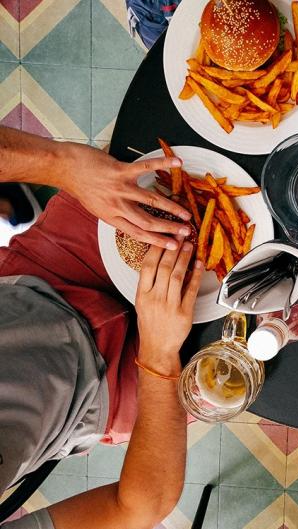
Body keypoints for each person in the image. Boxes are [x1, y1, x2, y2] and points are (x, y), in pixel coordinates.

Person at [0, 126, 201, 529]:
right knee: (268, 337)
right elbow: (136, 508)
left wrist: (61, 164)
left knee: (170, 148)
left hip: (37, 279)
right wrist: (159, 356)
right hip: (103, 400)